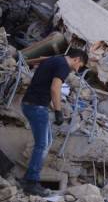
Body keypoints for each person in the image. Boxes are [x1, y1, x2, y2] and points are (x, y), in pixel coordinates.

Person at [20, 49, 88, 196]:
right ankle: (31, 183)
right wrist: (57, 111)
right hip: (36, 107)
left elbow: (44, 84)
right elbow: (55, 88)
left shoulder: (55, 60)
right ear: (76, 59)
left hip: (31, 104)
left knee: (47, 142)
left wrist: (51, 106)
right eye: (80, 65)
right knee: (42, 145)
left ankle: (28, 179)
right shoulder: (64, 66)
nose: (78, 69)